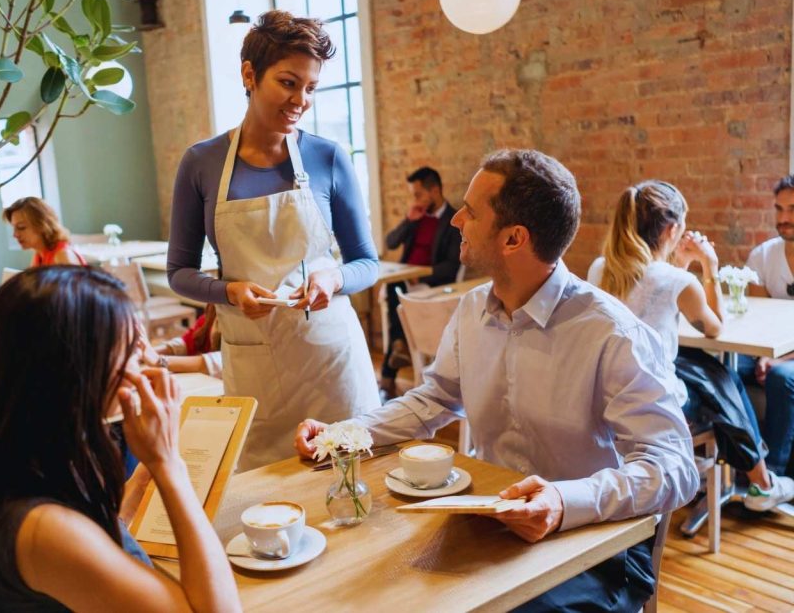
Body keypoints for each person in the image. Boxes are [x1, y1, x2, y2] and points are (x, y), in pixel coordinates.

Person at [294, 150, 698, 612]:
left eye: (471, 211)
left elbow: (674, 466)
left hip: (592, 548)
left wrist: (564, 502)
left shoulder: (611, 332)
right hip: (489, 528)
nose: (455, 220)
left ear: (513, 239)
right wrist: (342, 436)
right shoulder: (471, 310)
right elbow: (433, 400)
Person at [0, 266, 240, 612]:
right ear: (74, 367)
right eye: (129, 351)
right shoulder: (43, 530)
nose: (141, 368)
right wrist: (168, 465)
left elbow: (100, 534)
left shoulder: (8, 462)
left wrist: (144, 476)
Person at [167, 10, 380, 470]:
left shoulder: (327, 157)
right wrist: (228, 291)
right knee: (264, 503)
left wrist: (333, 279)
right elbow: (178, 272)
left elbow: (367, 262)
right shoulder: (201, 163)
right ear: (250, 74)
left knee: (350, 495)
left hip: (332, 366)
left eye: (310, 88)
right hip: (254, 369)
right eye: (288, 82)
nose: (300, 100)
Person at [587, 180, 794, 511]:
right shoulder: (676, 281)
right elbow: (715, 328)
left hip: (606, 396)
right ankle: (760, 481)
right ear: (671, 230)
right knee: (722, 380)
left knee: (708, 370)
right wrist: (708, 266)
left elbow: (655, 305)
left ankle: (744, 477)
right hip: (655, 404)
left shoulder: (600, 268)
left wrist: (680, 266)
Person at [380, 167, 462, 397]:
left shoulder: (452, 221)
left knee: (396, 293)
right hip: (404, 282)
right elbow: (391, 242)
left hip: (431, 286)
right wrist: (408, 220)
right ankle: (399, 346)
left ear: (434, 190)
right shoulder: (416, 217)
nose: (415, 200)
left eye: (418, 194)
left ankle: (389, 375)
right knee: (393, 286)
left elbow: (452, 266)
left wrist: (422, 273)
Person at [739, 174, 794, 478]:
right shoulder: (763, 256)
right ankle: (741, 463)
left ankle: (772, 478)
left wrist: (778, 360)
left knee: (782, 378)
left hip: (786, 359)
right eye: (779, 209)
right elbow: (756, 321)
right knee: (724, 369)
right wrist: (762, 356)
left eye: (792, 209)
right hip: (770, 350)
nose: (784, 218)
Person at [139, 304, 222, 378]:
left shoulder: (232, 317)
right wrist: (143, 352)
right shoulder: (213, 311)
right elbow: (189, 341)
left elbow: (219, 362)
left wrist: (159, 361)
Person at [2, 196, 87, 266]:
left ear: (42, 225)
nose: (15, 235)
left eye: (21, 227)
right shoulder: (39, 255)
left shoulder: (62, 256)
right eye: (14, 228)